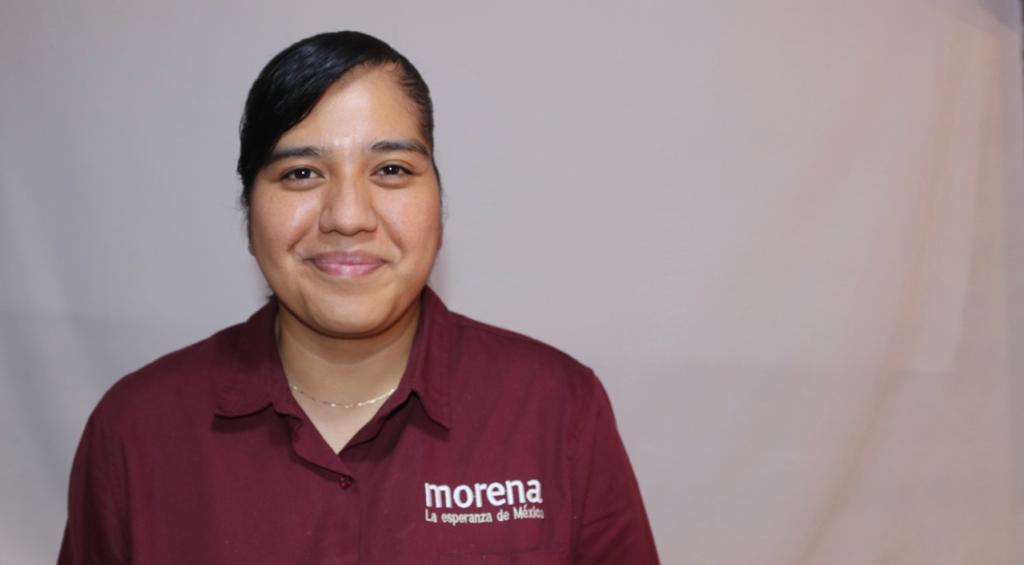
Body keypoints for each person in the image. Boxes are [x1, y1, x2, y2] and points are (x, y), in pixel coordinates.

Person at [58, 31, 659, 564]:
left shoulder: (557, 410)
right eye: (301, 173)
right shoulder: (136, 431)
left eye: (391, 169)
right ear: (249, 212)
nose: (347, 216)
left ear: (439, 203)